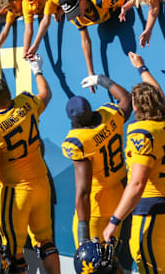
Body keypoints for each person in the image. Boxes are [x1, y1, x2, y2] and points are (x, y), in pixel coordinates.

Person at [103, 52, 165, 274]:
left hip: (151, 213)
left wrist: (114, 221)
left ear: (135, 107)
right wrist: (142, 68)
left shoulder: (142, 134)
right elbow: (160, 94)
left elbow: (137, 184)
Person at [0, 55, 60, 273]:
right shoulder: (26, 104)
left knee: (13, 251)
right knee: (46, 242)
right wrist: (37, 70)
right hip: (41, 184)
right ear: (9, 95)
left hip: (16, 192)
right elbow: (46, 95)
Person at [62, 73, 132, 246]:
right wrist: (102, 80)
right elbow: (126, 99)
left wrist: (83, 233)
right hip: (118, 200)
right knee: (110, 261)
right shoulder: (111, 116)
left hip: (95, 208)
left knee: (90, 266)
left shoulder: (79, 142)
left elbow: (83, 191)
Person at [58, 0, 127, 79]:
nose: (75, 15)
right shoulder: (75, 18)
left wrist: (125, 7)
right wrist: (90, 72)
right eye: (71, 12)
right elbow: (85, 40)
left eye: (75, 10)